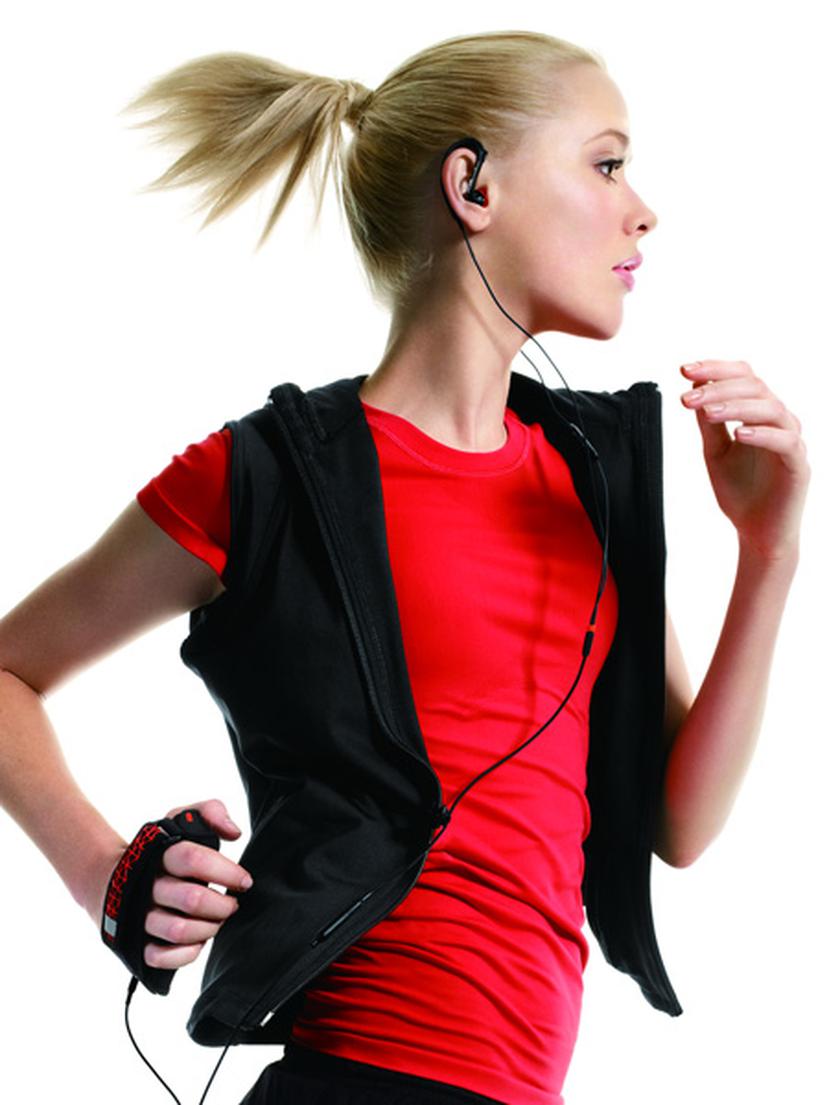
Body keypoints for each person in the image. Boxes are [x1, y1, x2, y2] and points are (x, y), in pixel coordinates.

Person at [0, 28, 809, 1105]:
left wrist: (768, 550)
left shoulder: (590, 483)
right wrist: (102, 870)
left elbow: (678, 823)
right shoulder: (268, 476)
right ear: (472, 186)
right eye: (607, 163)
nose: (643, 210)